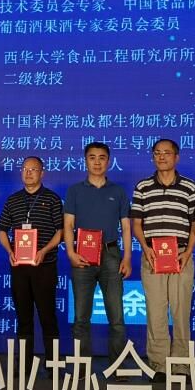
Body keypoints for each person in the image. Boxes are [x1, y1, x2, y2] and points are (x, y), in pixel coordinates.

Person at [131, 138, 195, 381]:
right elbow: (137, 223)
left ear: (176, 157)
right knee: (156, 313)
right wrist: (145, 248)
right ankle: (159, 365)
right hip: (152, 257)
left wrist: (188, 251)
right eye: (157, 153)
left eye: (167, 153)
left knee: (181, 313)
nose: (162, 157)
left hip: (181, 256)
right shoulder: (143, 186)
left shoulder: (190, 187)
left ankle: (181, 366)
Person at [64, 142, 131, 364]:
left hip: (111, 255)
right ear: (85, 161)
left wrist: (127, 257)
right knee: (81, 318)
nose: (97, 162)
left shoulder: (118, 191)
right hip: (82, 256)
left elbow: (126, 227)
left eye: (102, 157)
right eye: (92, 157)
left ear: (108, 161)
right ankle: (82, 367)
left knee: (117, 317)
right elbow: (68, 225)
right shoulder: (75, 191)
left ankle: (118, 367)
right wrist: (71, 253)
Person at [0, 156, 64, 372]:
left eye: (33, 169)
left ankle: (53, 364)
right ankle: (25, 365)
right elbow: (2, 230)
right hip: (20, 267)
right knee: (23, 317)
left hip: (44, 266)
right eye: (25, 169)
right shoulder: (13, 200)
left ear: (42, 173)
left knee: (47, 317)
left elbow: (60, 231)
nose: (28, 173)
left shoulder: (52, 199)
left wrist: (43, 251)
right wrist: (10, 251)